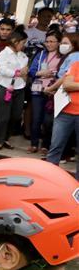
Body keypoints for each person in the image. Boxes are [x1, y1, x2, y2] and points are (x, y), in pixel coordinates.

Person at [0, 30, 29, 151]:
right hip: (5, 87)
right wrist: (18, 73)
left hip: (19, 87)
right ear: (15, 41)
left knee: (16, 115)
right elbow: (3, 71)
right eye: (22, 43)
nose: (23, 45)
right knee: (4, 116)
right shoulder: (3, 54)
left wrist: (21, 73)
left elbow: (25, 70)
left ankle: (6, 137)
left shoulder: (23, 56)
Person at [26, 30, 63, 154]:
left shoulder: (63, 56)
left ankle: (46, 145)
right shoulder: (41, 54)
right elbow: (31, 71)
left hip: (53, 92)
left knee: (48, 121)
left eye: (52, 41)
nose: (49, 44)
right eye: (47, 41)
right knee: (36, 118)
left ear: (59, 43)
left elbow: (64, 73)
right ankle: (34, 144)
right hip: (38, 90)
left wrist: (53, 74)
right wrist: (40, 73)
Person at [46, 48, 79, 180]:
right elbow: (67, 85)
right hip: (65, 112)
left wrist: (75, 84)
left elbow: (72, 84)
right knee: (55, 148)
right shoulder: (76, 65)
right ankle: (48, 179)